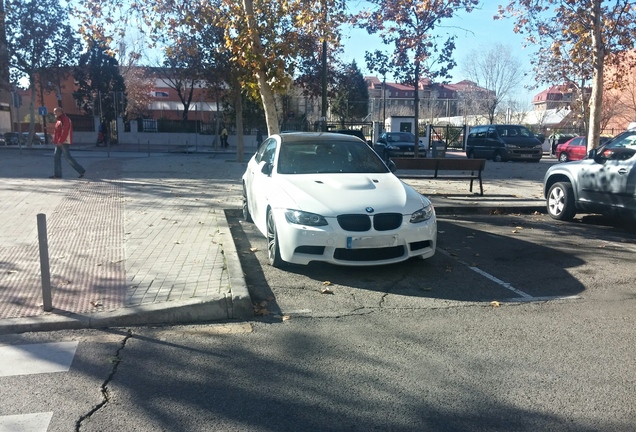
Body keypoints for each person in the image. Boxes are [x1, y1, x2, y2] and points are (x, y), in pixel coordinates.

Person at [51, 107, 86, 179]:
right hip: (60, 142)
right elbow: (57, 132)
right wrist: (55, 140)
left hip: (64, 141)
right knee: (56, 157)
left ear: (60, 112)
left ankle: (81, 170)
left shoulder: (65, 119)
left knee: (67, 157)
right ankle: (57, 174)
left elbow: (65, 131)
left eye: (56, 111)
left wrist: (60, 141)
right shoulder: (59, 120)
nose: (54, 113)